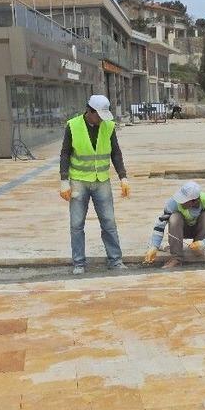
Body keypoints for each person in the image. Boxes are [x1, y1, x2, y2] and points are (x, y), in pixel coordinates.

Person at [59, 95, 130, 275]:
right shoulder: (73, 126)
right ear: (89, 111)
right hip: (78, 181)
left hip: (101, 181)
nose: (101, 120)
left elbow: (116, 153)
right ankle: (79, 263)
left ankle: (115, 260)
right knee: (76, 224)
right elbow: (65, 154)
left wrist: (123, 177)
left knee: (109, 222)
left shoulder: (108, 126)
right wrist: (64, 180)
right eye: (98, 115)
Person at [143, 181, 205, 269]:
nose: (180, 202)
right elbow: (160, 225)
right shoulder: (173, 202)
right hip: (180, 230)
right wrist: (154, 246)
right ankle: (176, 258)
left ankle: (198, 247)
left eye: (184, 200)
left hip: (199, 230)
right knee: (174, 217)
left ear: (194, 201)